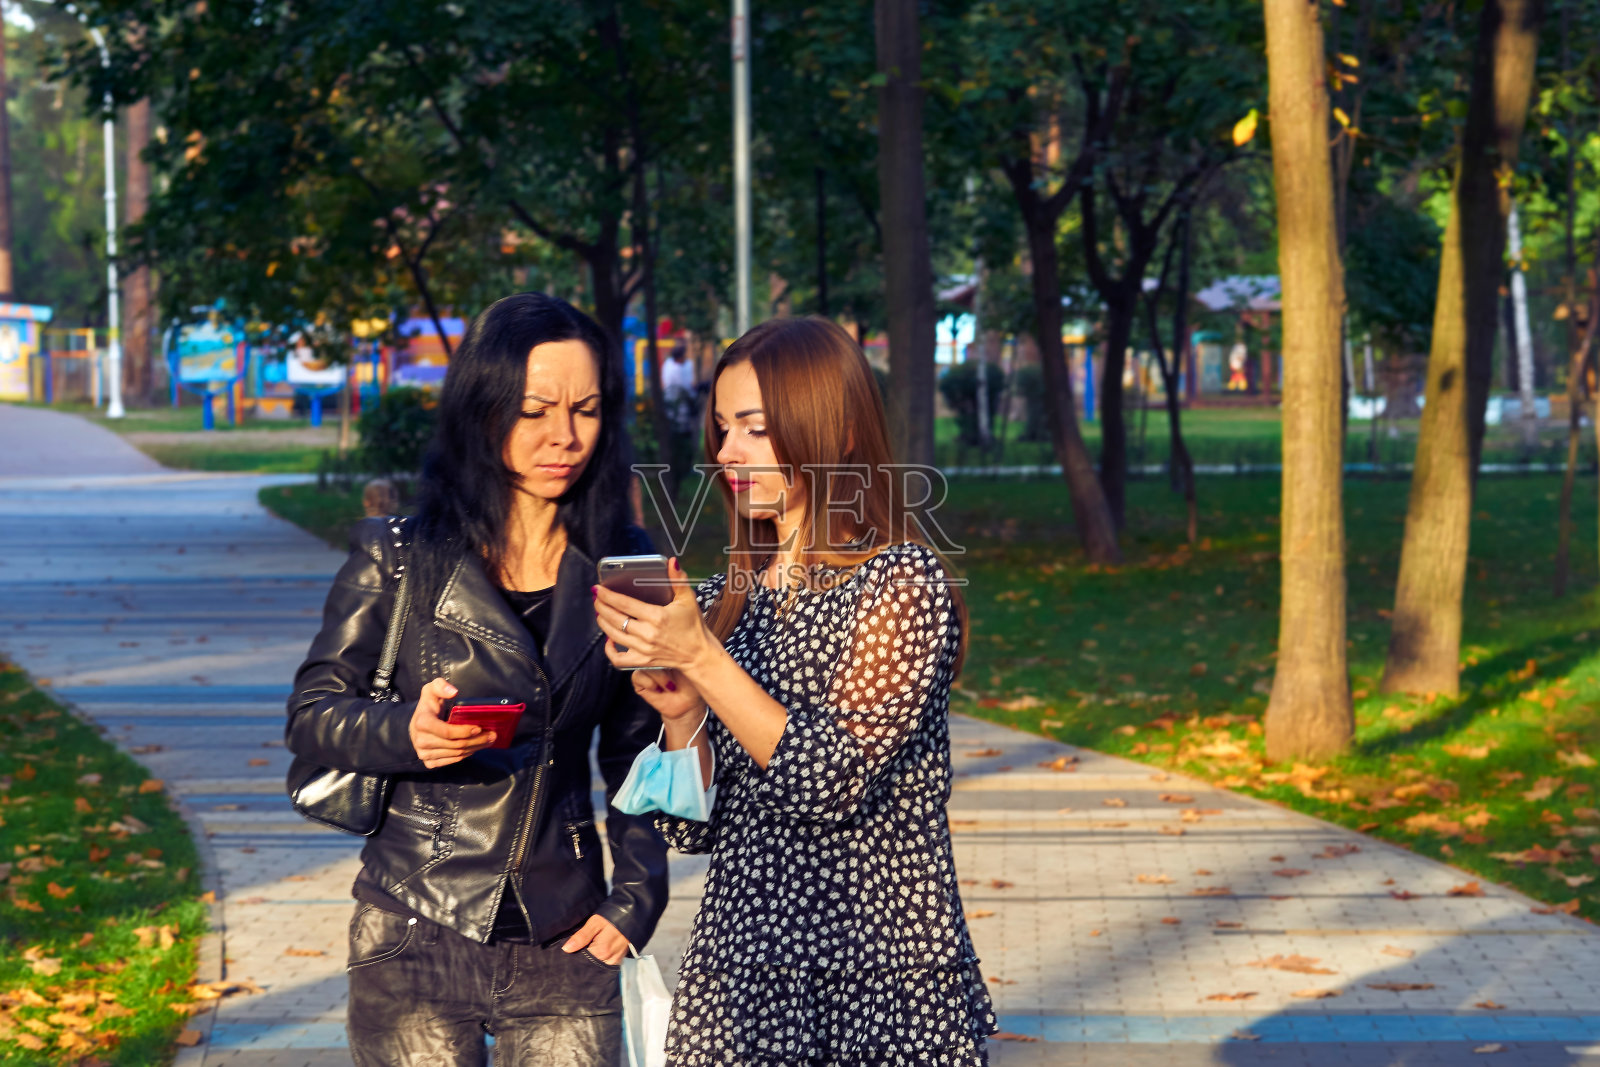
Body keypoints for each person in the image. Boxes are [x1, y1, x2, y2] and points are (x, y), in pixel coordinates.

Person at [592, 317, 997, 1066]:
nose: (726, 452)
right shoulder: (728, 596)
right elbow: (692, 831)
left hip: (878, 980)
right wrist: (682, 718)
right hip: (742, 979)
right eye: (720, 427)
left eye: (754, 427)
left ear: (837, 430)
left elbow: (829, 780)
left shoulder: (899, 584)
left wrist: (704, 659)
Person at [286, 292, 669, 1066]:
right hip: (413, 924)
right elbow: (312, 713)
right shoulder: (398, 554)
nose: (564, 435)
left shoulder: (627, 562)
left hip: (568, 928)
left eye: (587, 409)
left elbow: (640, 751)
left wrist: (636, 898)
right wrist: (407, 733)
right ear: (485, 408)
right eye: (535, 409)